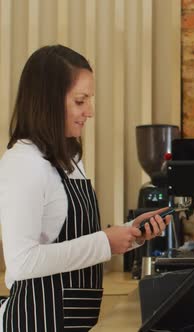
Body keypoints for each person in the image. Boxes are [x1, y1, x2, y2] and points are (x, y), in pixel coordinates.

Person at [0, 45, 171, 331]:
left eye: (89, 100)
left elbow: (75, 240)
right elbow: (21, 263)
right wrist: (105, 242)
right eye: (80, 101)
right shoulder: (23, 162)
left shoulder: (69, 158)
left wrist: (129, 233)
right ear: (49, 101)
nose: (89, 111)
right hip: (36, 322)